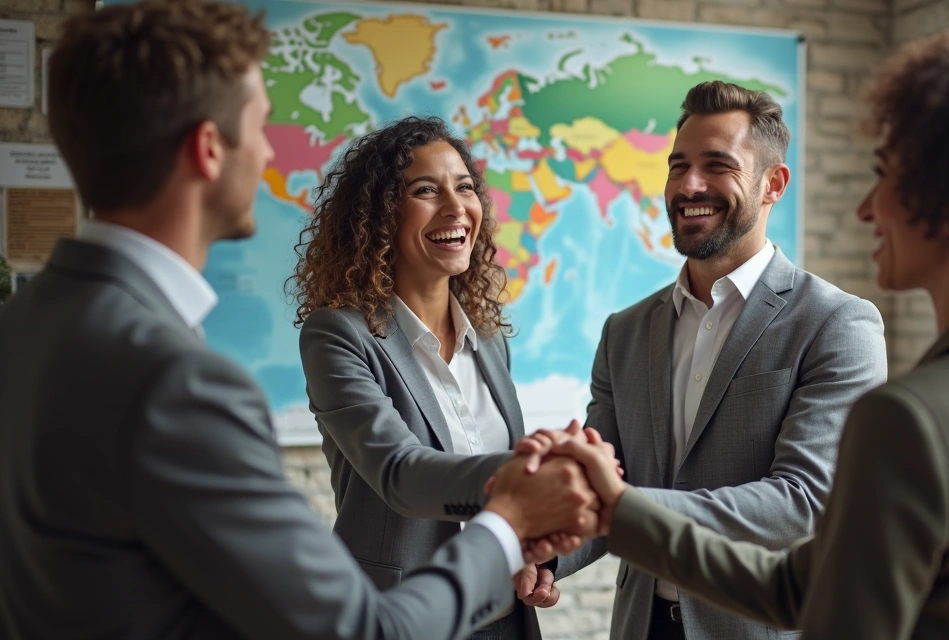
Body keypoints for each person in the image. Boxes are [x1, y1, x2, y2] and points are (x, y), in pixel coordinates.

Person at [0, 2, 598, 638]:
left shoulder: (22, 325)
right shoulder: (180, 382)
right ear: (208, 149)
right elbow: (361, 625)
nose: (266, 151)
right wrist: (513, 511)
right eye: (260, 127)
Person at [521, 31, 949, 639]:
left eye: (885, 174)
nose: (866, 207)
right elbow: (802, 587)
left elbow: (806, 535)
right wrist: (578, 529)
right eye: (679, 164)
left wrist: (620, 508)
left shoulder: (909, 414)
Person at [526, 80, 887, 640]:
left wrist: (620, 506)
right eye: (678, 166)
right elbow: (603, 487)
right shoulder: (624, 332)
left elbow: (804, 501)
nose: (689, 185)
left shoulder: (837, 324)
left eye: (718, 165)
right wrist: (548, 556)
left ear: (774, 184)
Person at [290, 116, 558, 639]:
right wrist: (531, 478)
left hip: (506, 620)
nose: (456, 208)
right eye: (425, 191)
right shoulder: (337, 336)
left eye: (464, 187)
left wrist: (535, 550)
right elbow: (401, 474)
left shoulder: (489, 336)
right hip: (404, 619)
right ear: (381, 213)